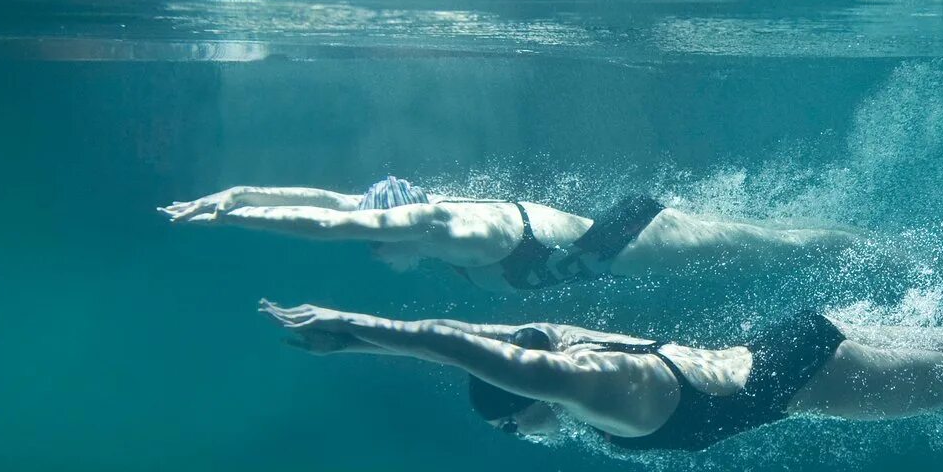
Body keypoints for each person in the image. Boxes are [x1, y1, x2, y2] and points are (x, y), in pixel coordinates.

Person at [259, 302, 943, 451]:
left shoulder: (587, 393)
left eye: (516, 423)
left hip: (803, 378)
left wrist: (358, 333)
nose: (527, 436)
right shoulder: (585, 352)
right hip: (785, 344)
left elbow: (476, 347)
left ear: (531, 401)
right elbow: (510, 331)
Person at [162, 176, 856, 290]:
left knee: (763, 247)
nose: (371, 250)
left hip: (636, 244)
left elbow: (326, 224)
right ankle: (846, 241)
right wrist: (234, 192)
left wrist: (236, 218)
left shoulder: (441, 226)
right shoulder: (422, 226)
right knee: (753, 246)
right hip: (607, 253)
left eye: (374, 236)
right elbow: (327, 202)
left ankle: (858, 244)